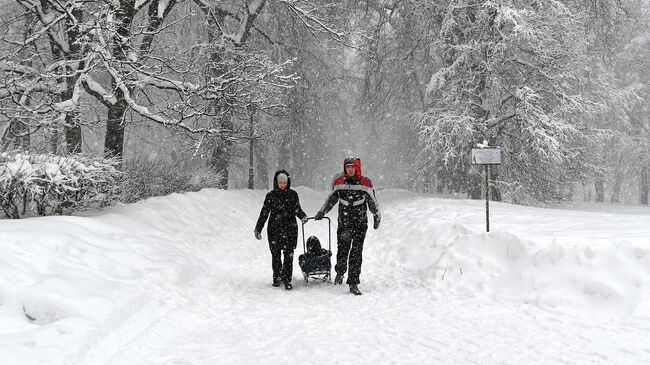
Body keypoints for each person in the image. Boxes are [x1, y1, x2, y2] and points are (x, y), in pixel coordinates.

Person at [314, 157, 380, 295]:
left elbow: (373, 202)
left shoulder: (365, 183)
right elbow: (331, 199)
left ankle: (353, 282)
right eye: (347, 167)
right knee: (343, 249)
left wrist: (376, 216)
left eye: (352, 167)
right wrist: (322, 211)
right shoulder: (339, 182)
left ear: (357, 168)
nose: (349, 169)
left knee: (356, 253)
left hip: (360, 224)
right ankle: (340, 272)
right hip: (344, 223)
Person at [255, 170, 308, 290]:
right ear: (276, 183)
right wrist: (258, 229)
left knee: (289, 256)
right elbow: (264, 213)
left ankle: (287, 279)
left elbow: (297, 209)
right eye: (280, 183)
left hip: (290, 229)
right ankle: (277, 277)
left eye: (284, 182)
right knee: (276, 255)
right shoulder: (271, 196)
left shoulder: (293, 195)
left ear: (288, 182)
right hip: (274, 230)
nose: (282, 185)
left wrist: (303, 216)